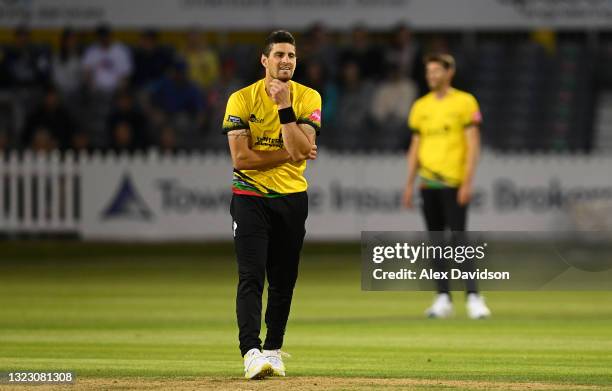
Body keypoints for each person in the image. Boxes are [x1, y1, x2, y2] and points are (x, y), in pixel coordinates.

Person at [222, 30, 321, 379]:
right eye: (279, 55)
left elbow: (295, 152)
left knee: (284, 280)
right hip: (249, 196)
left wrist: (283, 107)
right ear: (264, 60)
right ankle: (250, 351)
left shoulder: (308, 97)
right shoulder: (241, 99)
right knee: (251, 276)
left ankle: (273, 350)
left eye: (291, 56)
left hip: (292, 199)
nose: (286, 61)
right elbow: (241, 159)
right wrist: (290, 152)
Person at [402, 53, 491, 319]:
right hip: (428, 182)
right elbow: (415, 147)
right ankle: (443, 297)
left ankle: (474, 297)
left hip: (453, 182)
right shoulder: (421, 106)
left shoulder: (464, 102)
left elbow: (473, 144)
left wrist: (468, 181)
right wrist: (409, 183)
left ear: (449, 72)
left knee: (459, 239)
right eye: (428, 71)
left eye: (436, 71)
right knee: (436, 241)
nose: (431, 76)